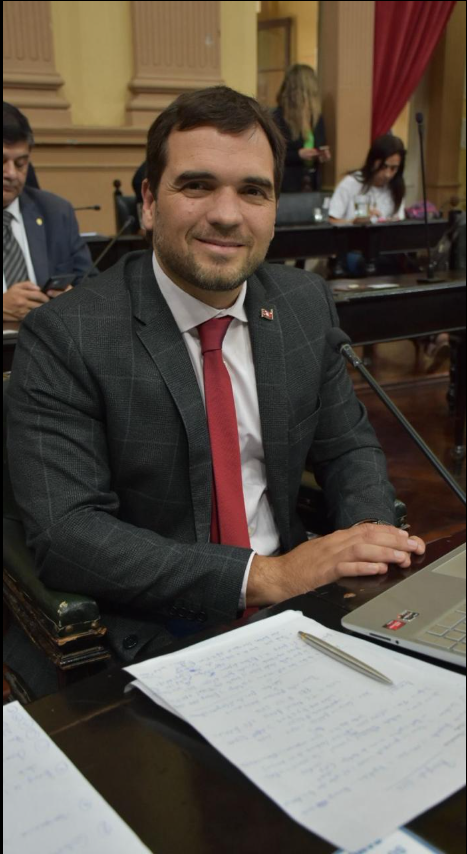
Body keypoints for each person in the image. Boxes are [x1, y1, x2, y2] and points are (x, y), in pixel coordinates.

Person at [6, 86, 425, 697]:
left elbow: (347, 448)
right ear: (150, 203)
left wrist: (365, 545)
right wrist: (266, 576)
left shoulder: (303, 304)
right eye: (197, 185)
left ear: (274, 208)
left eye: (253, 190)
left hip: (304, 605)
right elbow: (68, 534)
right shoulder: (67, 334)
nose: (227, 214)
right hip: (148, 633)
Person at [3, 103, 95, 322]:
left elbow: (96, 288)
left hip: (51, 340)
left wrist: (75, 299)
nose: (11, 173)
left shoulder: (56, 212)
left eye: (20, 164)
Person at [272, 64, 331, 193]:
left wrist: (322, 155)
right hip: (288, 186)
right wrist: (298, 155)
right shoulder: (278, 117)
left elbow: (319, 145)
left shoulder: (316, 118)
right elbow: (273, 155)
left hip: (312, 184)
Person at [328, 134, 406, 224]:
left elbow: (399, 221)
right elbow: (331, 221)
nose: (387, 174)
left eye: (393, 168)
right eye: (383, 166)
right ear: (373, 162)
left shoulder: (396, 188)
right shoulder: (351, 183)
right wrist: (353, 222)